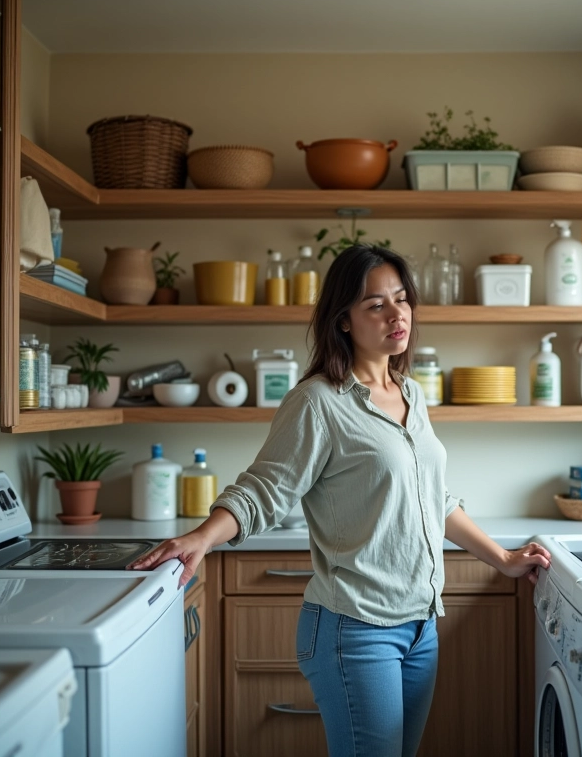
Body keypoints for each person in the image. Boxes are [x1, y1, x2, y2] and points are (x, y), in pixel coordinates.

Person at [129, 243, 551, 757]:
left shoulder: (410, 393)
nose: (396, 314)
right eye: (376, 304)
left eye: (401, 299)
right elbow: (265, 488)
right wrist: (202, 537)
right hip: (356, 629)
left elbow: (433, 498)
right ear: (344, 320)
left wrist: (504, 558)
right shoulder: (317, 402)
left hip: (420, 626)